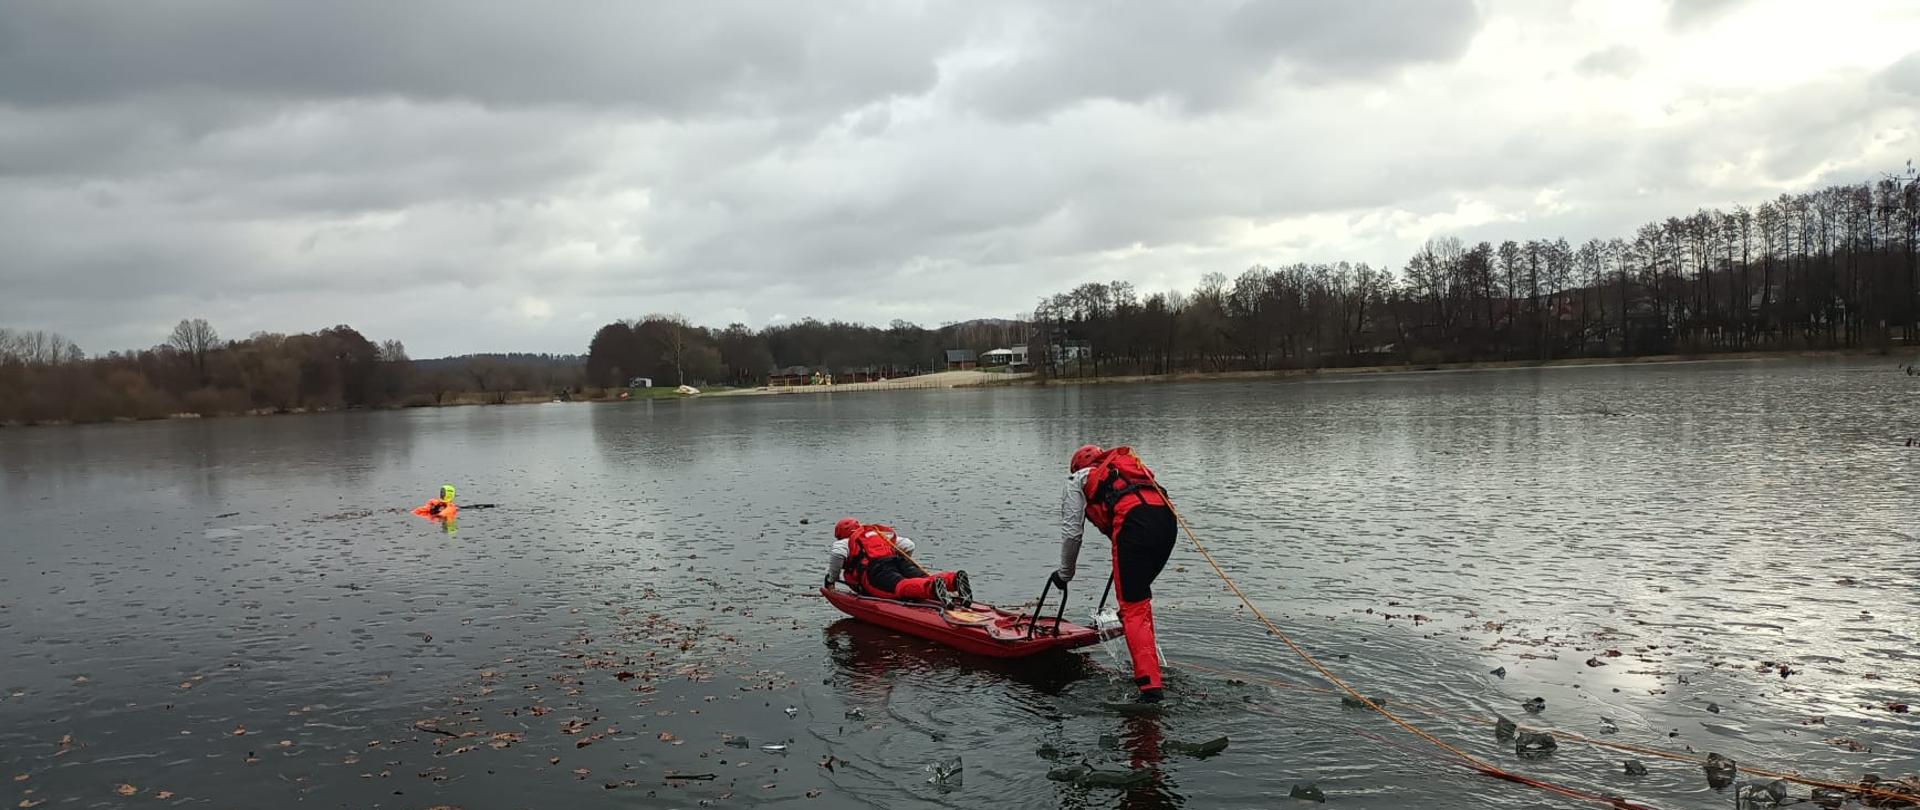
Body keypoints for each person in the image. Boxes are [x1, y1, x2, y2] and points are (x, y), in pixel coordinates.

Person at [1053, 444, 1176, 703]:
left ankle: (1150, 693)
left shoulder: (1077, 480)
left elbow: (1072, 534)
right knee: (1138, 605)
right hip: (1167, 522)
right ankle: (1151, 672)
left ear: (1076, 466)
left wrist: (1064, 575)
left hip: (1134, 525)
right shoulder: (1124, 469)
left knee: (1134, 609)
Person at [826, 518, 973, 607]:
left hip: (875, 570)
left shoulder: (844, 542)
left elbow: (837, 554)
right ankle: (953, 580)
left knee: (899, 587)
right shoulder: (878, 533)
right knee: (922, 578)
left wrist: (832, 579)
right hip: (897, 560)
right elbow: (909, 545)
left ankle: (932, 588)